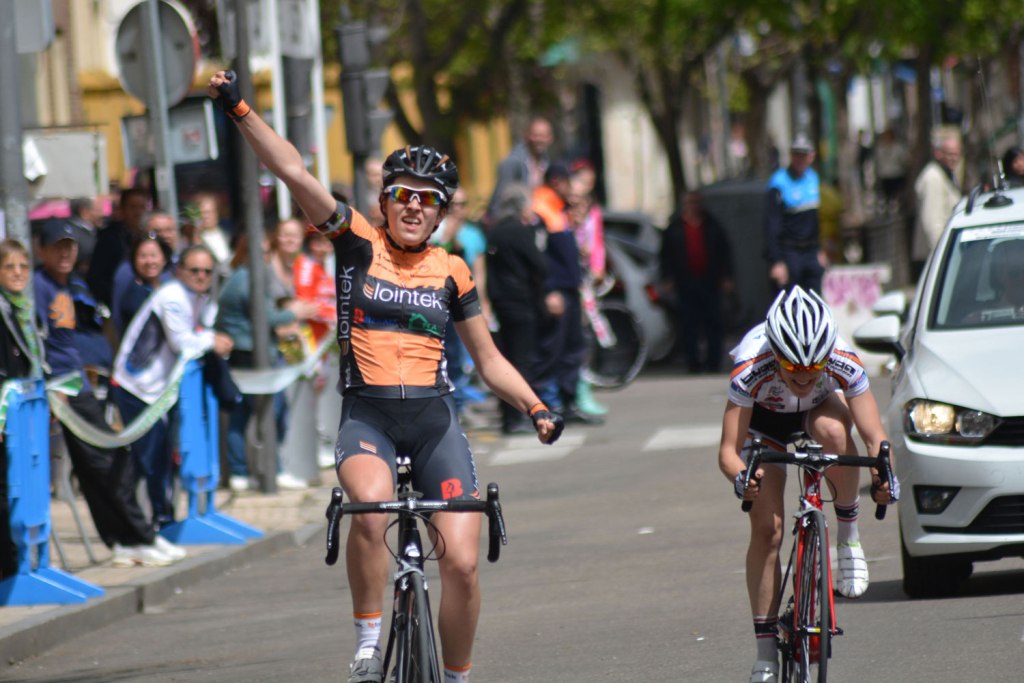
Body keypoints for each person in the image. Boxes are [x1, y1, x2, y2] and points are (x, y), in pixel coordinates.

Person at [208, 69, 563, 683]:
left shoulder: (452, 269)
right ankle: (369, 642)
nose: (413, 206)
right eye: (403, 194)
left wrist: (536, 407)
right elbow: (293, 172)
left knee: (463, 565)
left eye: (428, 199)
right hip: (367, 416)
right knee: (370, 510)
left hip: (433, 419)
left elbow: (489, 360)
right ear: (385, 201)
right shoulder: (355, 242)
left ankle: (456, 675)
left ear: (442, 212)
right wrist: (239, 107)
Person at [718, 286, 897, 683]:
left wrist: (883, 476)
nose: (802, 376)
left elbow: (876, 439)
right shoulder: (751, 364)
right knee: (768, 530)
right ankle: (765, 654)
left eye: (814, 369)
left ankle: (848, 537)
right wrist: (742, 478)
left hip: (818, 412)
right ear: (775, 355)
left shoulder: (842, 358)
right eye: (792, 368)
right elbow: (728, 451)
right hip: (762, 425)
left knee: (834, 432)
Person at [33, 220, 185, 567]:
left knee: (100, 468)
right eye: (57, 246)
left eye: (70, 246)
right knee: (111, 463)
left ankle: (127, 540)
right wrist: (53, 387)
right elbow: (39, 345)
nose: (65, 253)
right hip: (64, 390)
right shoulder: (38, 287)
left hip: (81, 383)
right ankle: (139, 536)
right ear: (41, 250)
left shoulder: (72, 284)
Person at [112, 245, 233, 530]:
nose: (202, 276)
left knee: (157, 458)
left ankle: (155, 520)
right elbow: (182, 343)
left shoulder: (199, 298)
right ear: (179, 271)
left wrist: (210, 337)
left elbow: (198, 332)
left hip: (157, 391)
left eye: (207, 271)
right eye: (195, 270)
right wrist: (212, 341)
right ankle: (151, 525)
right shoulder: (172, 297)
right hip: (136, 387)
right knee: (149, 460)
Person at [215, 232, 305, 492]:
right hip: (250, 354)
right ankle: (269, 471)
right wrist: (293, 312)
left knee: (246, 413)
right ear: (246, 252)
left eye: (267, 251)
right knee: (270, 412)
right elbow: (264, 317)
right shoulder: (247, 279)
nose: (264, 257)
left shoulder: (245, 275)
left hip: (248, 351)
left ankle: (244, 472)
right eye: (259, 252)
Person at [533, 163, 601, 425]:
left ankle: (568, 403)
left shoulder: (559, 209)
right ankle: (545, 405)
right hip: (557, 292)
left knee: (572, 348)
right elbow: (541, 258)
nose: (571, 190)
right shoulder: (543, 208)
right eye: (568, 183)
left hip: (569, 290)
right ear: (557, 182)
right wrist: (549, 290)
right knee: (552, 350)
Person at [486, 183, 549, 434]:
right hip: (521, 300)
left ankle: (508, 416)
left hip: (500, 301)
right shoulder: (519, 232)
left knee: (505, 359)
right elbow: (540, 265)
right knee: (522, 360)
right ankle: (520, 416)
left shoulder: (494, 232)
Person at [0, 239, 43, 579]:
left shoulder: (22, 308)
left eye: (23, 266)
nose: (18, 273)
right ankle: (8, 567)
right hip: (5, 415)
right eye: (9, 266)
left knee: (19, 486)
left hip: (22, 414)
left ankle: (17, 561)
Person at [659, 191, 734, 373]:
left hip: (710, 280)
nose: (693, 206)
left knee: (713, 322)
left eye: (696, 202)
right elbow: (665, 255)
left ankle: (713, 362)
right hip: (685, 282)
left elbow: (724, 252)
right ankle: (693, 362)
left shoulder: (712, 225)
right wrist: (668, 278)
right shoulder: (675, 227)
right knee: (689, 324)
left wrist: (727, 276)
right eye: (689, 202)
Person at [764, 134, 827, 293]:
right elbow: (772, 224)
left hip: (811, 252)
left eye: (803, 155)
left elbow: (815, 220)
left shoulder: (813, 178)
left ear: (811, 157)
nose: (800, 159)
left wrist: (819, 249)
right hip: (790, 252)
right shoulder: (779, 182)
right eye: (796, 154)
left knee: (814, 299)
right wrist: (777, 260)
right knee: (791, 299)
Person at [87, 187, 149, 307]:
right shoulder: (110, 238)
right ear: (122, 210)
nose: (138, 212)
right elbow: (97, 277)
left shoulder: (148, 237)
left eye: (141, 207)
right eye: (133, 207)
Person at [486, 115, 554, 224]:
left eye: (543, 136)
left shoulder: (547, 163)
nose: (539, 140)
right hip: (515, 221)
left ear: (550, 138)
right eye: (535, 135)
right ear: (526, 135)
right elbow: (500, 197)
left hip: (539, 220)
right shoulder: (513, 162)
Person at [912, 133, 962, 278]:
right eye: (950, 154)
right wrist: (943, 255)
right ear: (938, 154)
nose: (954, 158)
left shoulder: (947, 174)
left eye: (957, 154)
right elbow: (932, 222)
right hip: (934, 257)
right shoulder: (932, 177)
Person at [112, 231, 174, 337]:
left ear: (164, 259)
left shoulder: (169, 289)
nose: (149, 261)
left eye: (153, 255)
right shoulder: (135, 296)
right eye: (143, 256)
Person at [873, 128, 909, 213]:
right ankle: (888, 210)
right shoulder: (880, 149)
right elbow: (877, 162)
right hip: (885, 176)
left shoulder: (898, 148)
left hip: (896, 174)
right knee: (887, 196)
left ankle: (897, 210)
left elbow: (904, 160)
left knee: (896, 195)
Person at [67, 196, 104, 276]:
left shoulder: (95, 231)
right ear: (84, 212)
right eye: (98, 210)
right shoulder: (72, 234)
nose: (102, 214)